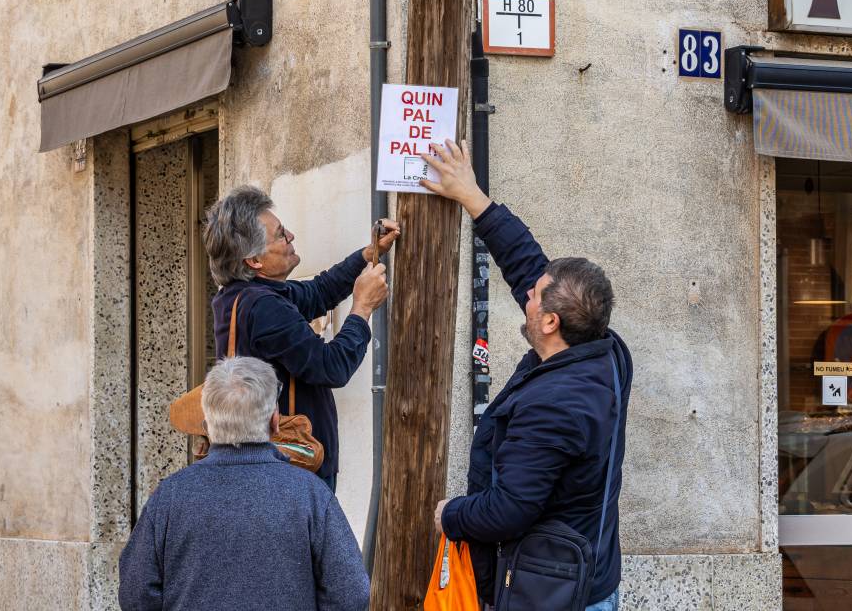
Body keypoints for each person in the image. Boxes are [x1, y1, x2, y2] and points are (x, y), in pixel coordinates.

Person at [424, 140, 632, 611]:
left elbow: (508, 510)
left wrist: (451, 514)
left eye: (534, 297)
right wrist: (473, 197)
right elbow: (526, 264)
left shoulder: (553, 405)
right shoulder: (605, 349)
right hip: (590, 578)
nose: (526, 297)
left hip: (553, 594)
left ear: (552, 321)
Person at [118, 357, 370, 611]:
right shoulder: (312, 494)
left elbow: (135, 594)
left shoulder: (170, 496)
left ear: (208, 422)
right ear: (275, 420)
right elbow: (351, 593)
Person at [203, 186, 397, 491]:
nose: (291, 236)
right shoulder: (263, 307)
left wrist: (369, 254)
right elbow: (331, 367)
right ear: (254, 260)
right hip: (290, 472)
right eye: (280, 234)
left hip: (277, 469)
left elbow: (320, 291)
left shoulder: (242, 296)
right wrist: (362, 308)